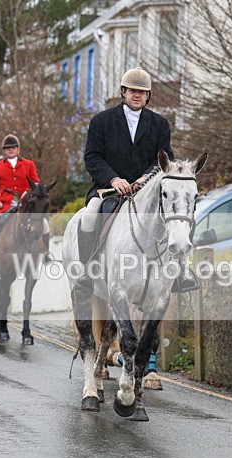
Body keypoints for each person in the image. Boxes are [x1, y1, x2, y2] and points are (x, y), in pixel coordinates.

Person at [78, 66, 196, 292]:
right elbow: (92, 157)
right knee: (90, 216)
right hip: (110, 190)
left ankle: (181, 271)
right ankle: (88, 271)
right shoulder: (101, 121)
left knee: (182, 212)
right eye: (132, 90)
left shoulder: (159, 123)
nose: (137, 95)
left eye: (142, 92)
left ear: (148, 96)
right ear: (123, 92)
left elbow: (165, 157)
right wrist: (113, 179)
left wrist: (148, 177)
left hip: (147, 190)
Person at [0, 134, 55, 264]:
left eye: (13, 147)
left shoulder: (28, 164)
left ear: (18, 149)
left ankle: (47, 253)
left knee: (45, 224)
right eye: (7, 148)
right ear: (4, 151)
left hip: (26, 204)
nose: (10, 150)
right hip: (4, 204)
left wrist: (27, 193)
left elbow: (36, 184)